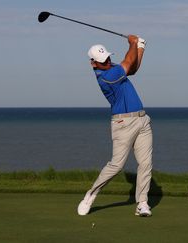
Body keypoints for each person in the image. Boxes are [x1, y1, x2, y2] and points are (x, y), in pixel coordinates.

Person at [77, 35, 153, 217]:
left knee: (145, 163)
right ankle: (91, 194)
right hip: (123, 123)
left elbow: (132, 69)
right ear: (93, 64)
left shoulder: (112, 69)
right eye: (103, 61)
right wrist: (134, 43)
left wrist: (140, 47)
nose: (107, 62)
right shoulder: (106, 77)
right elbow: (128, 62)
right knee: (116, 165)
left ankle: (142, 203)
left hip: (142, 119)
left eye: (108, 58)